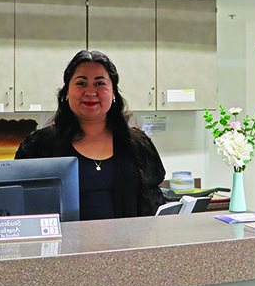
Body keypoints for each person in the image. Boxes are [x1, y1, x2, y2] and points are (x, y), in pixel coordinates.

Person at [15, 50, 165, 221]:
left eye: (100, 83)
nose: (90, 92)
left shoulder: (138, 144)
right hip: (64, 246)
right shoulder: (39, 145)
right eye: (81, 83)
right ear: (67, 92)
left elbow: (153, 203)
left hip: (126, 245)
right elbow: (19, 203)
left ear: (113, 93)